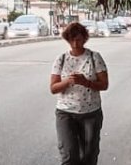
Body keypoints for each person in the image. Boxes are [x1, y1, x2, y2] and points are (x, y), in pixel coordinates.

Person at [49, 22, 109, 165]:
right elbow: (53, 88)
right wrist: (68, 81)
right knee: (69, 155)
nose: (75, 43)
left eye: (78, 39)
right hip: (66, 113)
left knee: (89, 154)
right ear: (67, 40)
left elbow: (104, 84)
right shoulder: (61, 59)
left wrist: (85, 82)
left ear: (84, 39)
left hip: (91, 113)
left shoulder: (94, 58)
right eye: (72, 39)